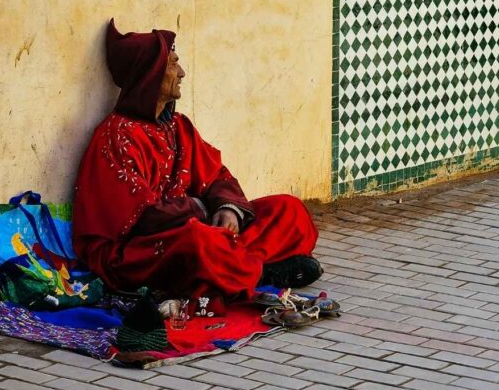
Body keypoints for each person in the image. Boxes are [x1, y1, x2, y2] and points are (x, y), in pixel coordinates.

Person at [72, 20, 322, 308]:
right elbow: (142, 219)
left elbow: (216, 175)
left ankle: (235, 269)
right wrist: (202, 211)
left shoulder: (179, 127)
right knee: (198, 241)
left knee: (289, 210)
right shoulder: (114, 137)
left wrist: (228, 210)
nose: (182, 73)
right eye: (173, 65)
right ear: (151, 75)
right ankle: (259, 271)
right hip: (141, 250)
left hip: (202, 230)